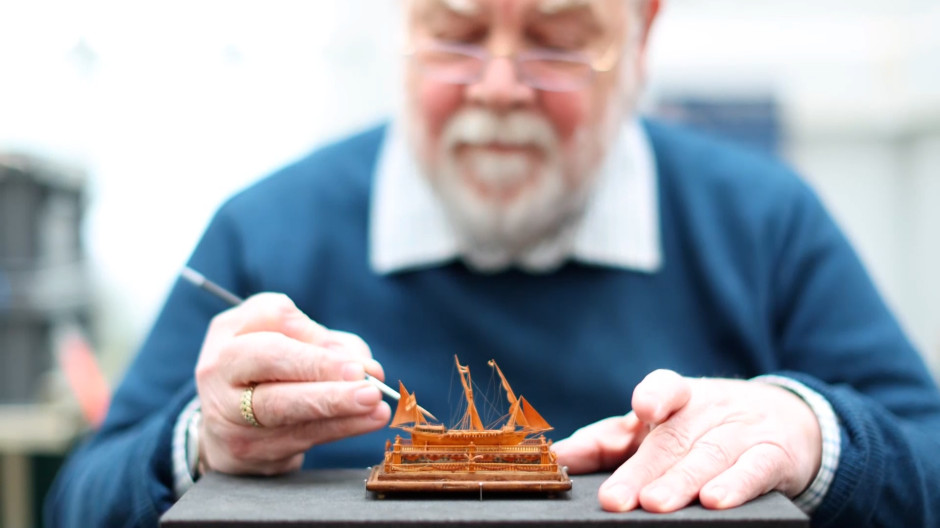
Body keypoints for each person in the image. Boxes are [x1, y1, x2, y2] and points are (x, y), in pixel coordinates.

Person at [46, 0, 940, 526]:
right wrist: (201, 441)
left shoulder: (760, 220)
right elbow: (79, 500)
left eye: (555, 37)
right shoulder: (267, 229)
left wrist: (810, 432)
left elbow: (929, 461)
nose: (501, 86)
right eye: (460, 31)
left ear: (643, 28)